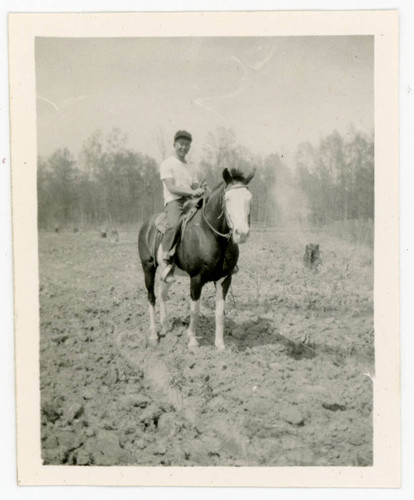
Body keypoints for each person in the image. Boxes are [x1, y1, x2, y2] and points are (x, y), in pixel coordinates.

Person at [159, 130, 204, 283]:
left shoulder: (191, 166)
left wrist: (201, 190)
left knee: (209, 219)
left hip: (191, 200)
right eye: (181, 144)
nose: (184, 147)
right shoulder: (167, 164)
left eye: (187, 145)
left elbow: (196, 185)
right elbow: (171, 188)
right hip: (174, 201)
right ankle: (167, 260)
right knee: (175, 224)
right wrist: (192, 191)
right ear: (174, 145)